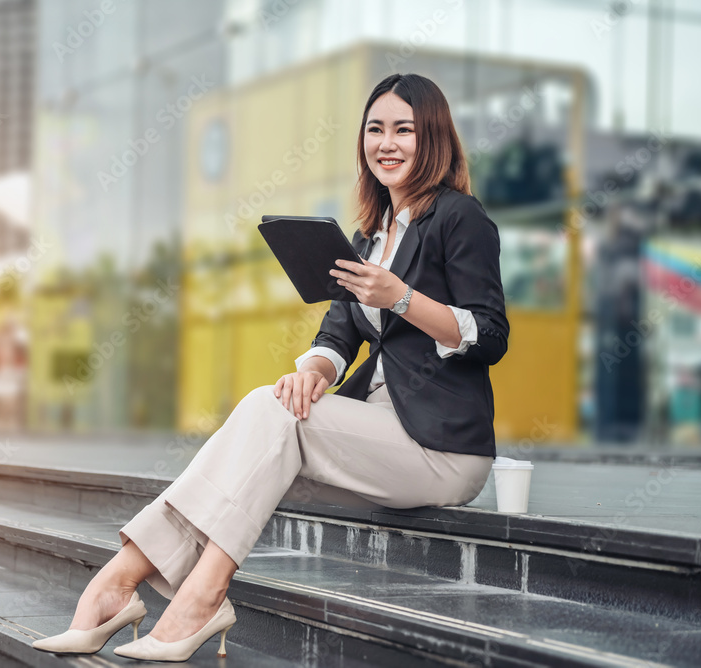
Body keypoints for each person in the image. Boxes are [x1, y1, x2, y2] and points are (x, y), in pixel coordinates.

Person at [32, 72, 509, 662]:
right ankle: (124, 587)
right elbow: (336, 334)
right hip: (376, 437)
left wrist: (402, 298)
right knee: (257, 435)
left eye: (404, 130)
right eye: (375, 129)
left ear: (432, 137)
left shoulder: (461, 218)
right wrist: (312, 370)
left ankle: (183, 596)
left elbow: (489, 334)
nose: (387, 143)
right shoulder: (368, 236)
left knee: (267, 414)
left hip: (440, 449)